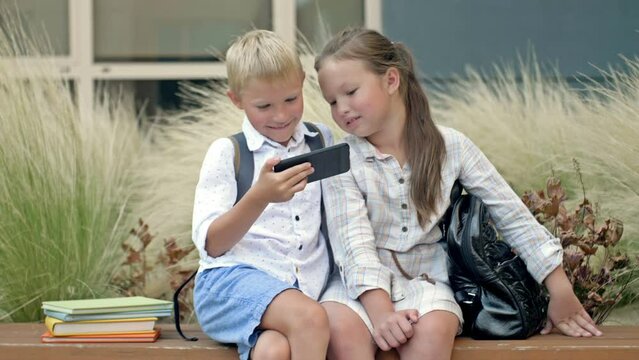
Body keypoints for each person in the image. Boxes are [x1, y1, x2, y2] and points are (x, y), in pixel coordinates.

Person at [314, 28, 602, 360]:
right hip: (359, 291)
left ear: (391, 80)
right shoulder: (341, 160)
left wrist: (559, 288)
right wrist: (380, 313)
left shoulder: (451, 147)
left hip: (427, 282)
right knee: (340, 329)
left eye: (350, 92)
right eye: (333, 101)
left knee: (433, 331)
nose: (342, 109)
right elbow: (353, 245)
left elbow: (511, 214)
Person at [191, 29, 332, 360]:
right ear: (236, 100)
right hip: (229, 284)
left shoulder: (319, 140)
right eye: (264, 105)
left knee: (274, 350)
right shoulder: (228, 153)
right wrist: (259, 196)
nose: (281, 115)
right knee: (310, 318)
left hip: (299, 287)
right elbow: (213, 244)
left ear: (301, 82)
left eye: (290, 99)